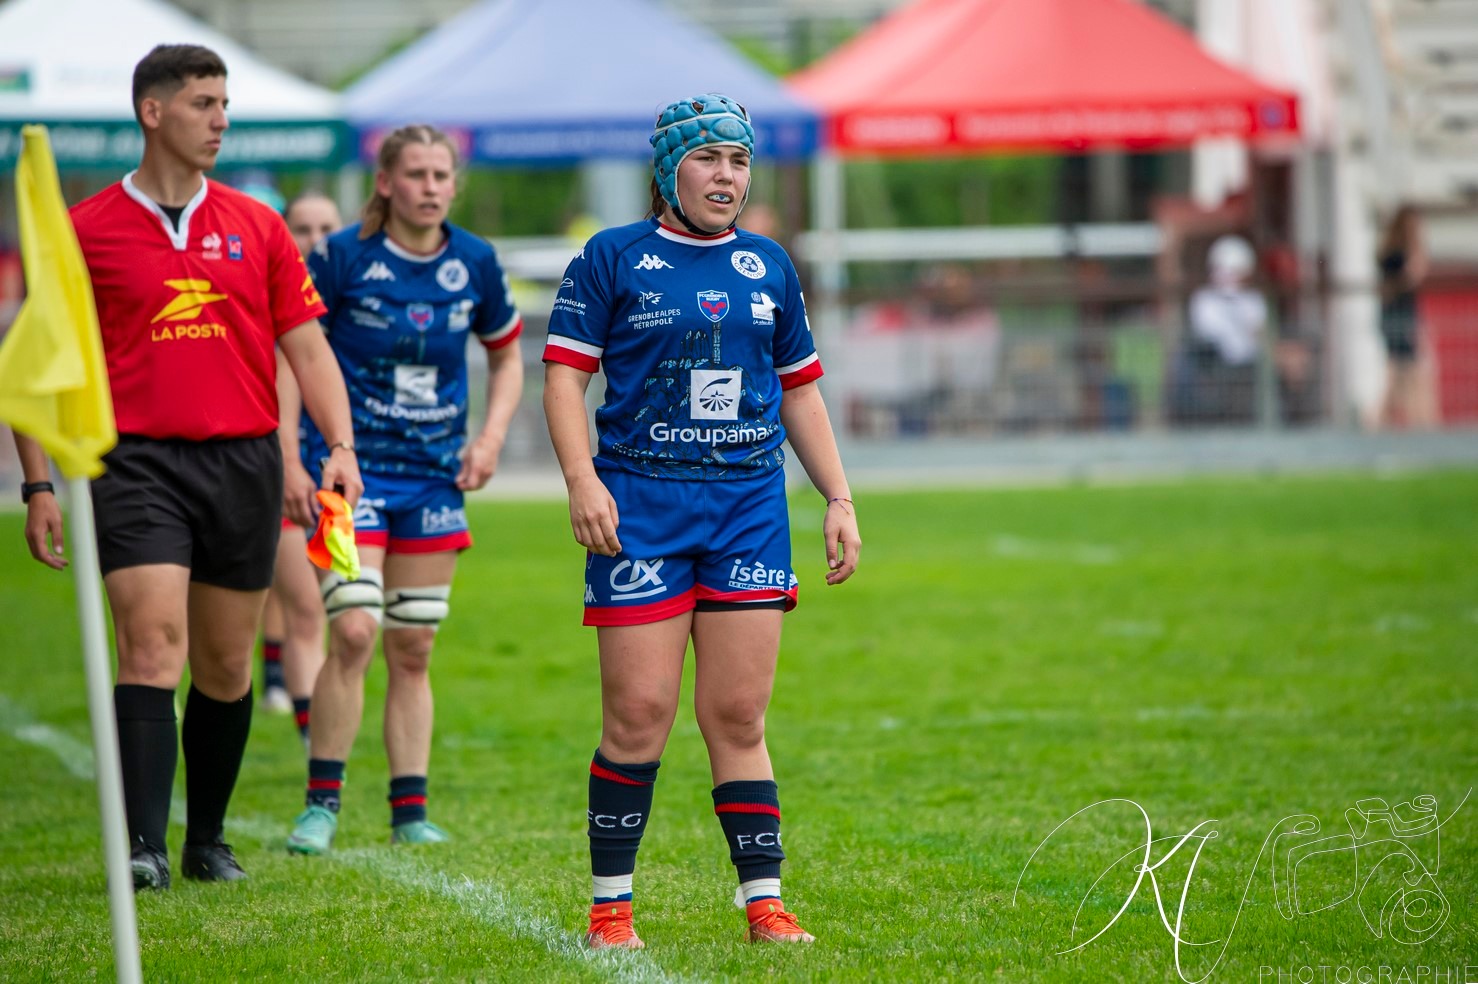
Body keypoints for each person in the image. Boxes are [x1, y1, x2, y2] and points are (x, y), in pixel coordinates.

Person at [13, 44, 362, 891]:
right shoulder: (85, 228)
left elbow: (307, 348)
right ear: (153, 112)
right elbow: (35, 362)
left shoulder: (258, 225)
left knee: (225, 666)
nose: (221, 118)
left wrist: (339, 446)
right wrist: (37, 484)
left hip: (241, 460)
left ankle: (206, 839)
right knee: (150, 645)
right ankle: (143, 848)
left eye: (224, 101)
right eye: (205, 102)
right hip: (131, 463)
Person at [543, 93, 861, 949]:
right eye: (710, 159)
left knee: (739, 716)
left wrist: (837, 497)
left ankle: (765, 903)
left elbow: (801, 392)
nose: (728, 176)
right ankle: (611, 911)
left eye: (740, 161)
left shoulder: (769, 265)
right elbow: (565, 379)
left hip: (748, 511)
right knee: (639, 713)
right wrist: (582, 480)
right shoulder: (610, 258)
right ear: (667, 170)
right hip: (638, 509)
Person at [284, 124, 524, 855]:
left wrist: (488, 440)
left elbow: (509, 357)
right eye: (414, 173)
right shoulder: (341, 258)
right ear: (385, 182)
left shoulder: (475, 262)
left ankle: (409, 812)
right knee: (355, 628)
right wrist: (290, 459)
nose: (429, 186)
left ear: (455, 185)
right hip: (347, 472)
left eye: (440, 174)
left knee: (413, 645)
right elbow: (289, 352)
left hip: (432, 478)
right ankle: (321, 803)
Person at [257, 192, 343, 741]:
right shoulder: (268, 298)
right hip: (281, 472)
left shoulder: (356, 301)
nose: (314, 239)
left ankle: (314, 715)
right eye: (303, 228)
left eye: (326, 227)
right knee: (305, 607)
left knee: (342, 610)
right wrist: (285, 456)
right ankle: (315, 742)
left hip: (340, 479)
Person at [1376, 205, 1439, 429]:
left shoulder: (1390, 251)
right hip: (1397, 318)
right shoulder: (1396, 254)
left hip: (1402, 317)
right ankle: (1418, 424)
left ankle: (1385, 423)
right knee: (1403, 372)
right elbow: (1410, 277)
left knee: (1401, 374)